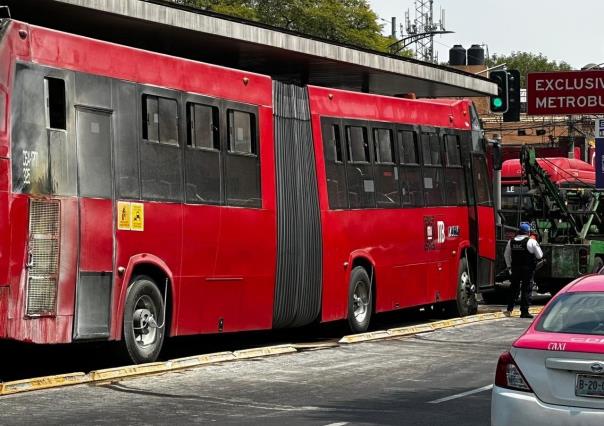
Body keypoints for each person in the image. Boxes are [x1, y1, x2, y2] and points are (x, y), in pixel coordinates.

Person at [503, 222, 543, 318]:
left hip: (515, 269)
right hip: (527, 270)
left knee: (514, 288)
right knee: (526, 289)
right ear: (528, 232)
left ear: (519, 231)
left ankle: (509, 309)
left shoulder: (511, 241)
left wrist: (509, 267)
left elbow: (506, 255)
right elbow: (540, 255)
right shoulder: (531, 242)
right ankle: (524, 311)